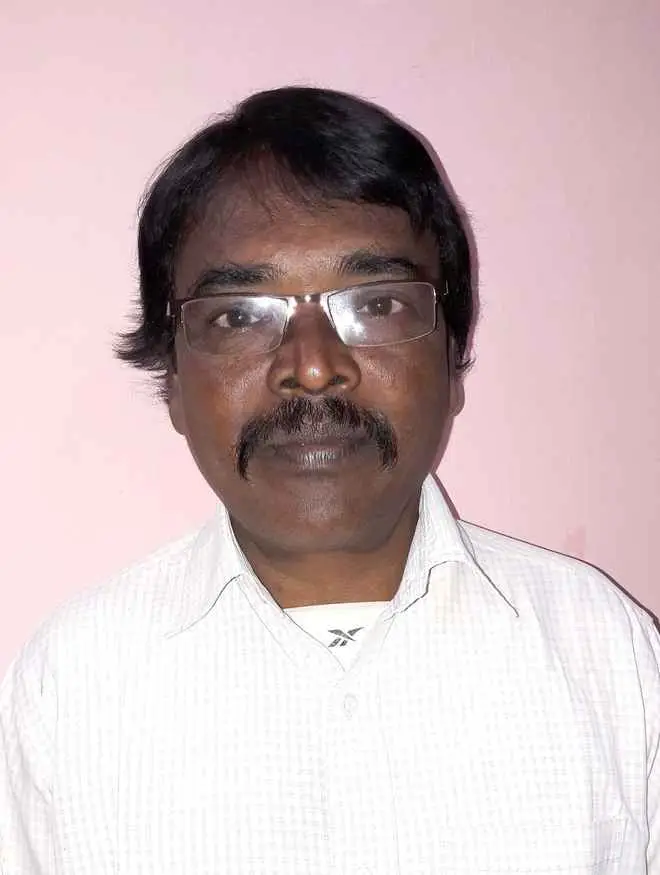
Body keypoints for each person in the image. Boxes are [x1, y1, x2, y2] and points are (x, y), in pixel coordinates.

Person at [1, 86, 658, 875]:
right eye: (240, 315)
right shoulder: (72, 687)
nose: (312, 367)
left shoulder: (610, 656)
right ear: (172, 381)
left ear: (453, 362)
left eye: (374, 304)